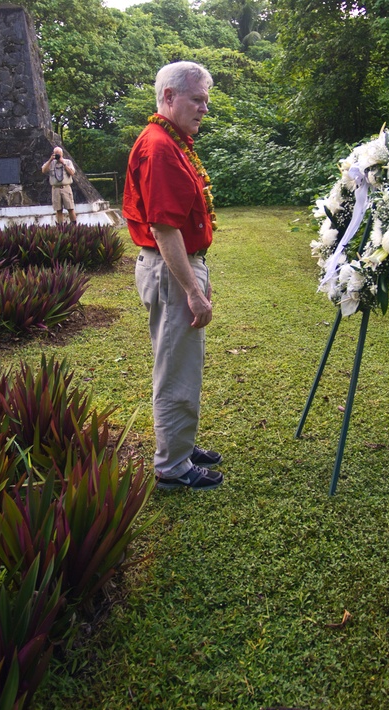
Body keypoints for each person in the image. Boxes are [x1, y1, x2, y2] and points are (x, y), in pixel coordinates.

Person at [123, 61, 223, 491]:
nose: (204, 109)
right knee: (176, 369)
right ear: (169, 96)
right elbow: (164, 229)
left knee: (183, 363)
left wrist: (200, 274)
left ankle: (180, 444)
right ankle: (173, 467)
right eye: (197, 100)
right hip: (169, 269)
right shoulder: (160, 147)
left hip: (177, 265)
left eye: (205, 101)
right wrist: (192, 290)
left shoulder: (172, 142)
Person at [41, 146, 78, 224]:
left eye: (59, 154)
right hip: (55, 188)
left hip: (66, 187)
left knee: (70, 207)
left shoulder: (68, 162)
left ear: (62, 154)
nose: (57, 155)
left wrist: (63, 163)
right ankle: (60, 226)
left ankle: (74, 224)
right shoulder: (51, 163)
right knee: (58, 209)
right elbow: (43, 170)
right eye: (56, 154)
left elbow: (72, 173)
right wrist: (50, 160)